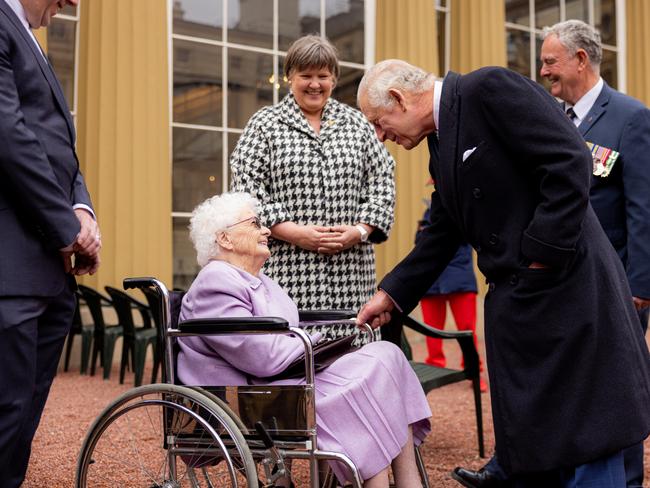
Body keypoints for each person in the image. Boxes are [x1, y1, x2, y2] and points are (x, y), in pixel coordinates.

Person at [355, 59, 650, 487]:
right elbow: (444, 228)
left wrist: (539, 258)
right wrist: (393, 293)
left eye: (380, 124)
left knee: (587, 440)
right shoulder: (439, 140)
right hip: (523, 305)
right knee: (541, 445)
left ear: (399, 99)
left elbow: (569, 160)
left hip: (568, 293)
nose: (382, 137)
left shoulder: (487, 89)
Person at [453, 20, 650, 488]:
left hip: (612, 281)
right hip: (563, 280)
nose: (543, 71)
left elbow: (644, 208)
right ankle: (525, 466)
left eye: (549, 61)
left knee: (611, 392)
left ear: (581, 59)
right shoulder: (549, 113)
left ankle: (622, 478)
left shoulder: (630, 117)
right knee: (566, 388)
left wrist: (640, 285)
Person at [176, 192, 431, 488]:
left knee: (388, 354)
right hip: (257, 395)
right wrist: (312, 342)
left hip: (286, 378)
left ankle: (408, 481)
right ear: (225, 239)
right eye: (255, 223)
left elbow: (278, 339)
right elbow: (263, 357)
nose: (267, 230)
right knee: (370, 379)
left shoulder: (254, 278)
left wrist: (315, 345)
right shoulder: (216, 281)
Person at [0, 0, 101, 486]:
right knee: (6, 412)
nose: (73, 4)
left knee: (22, 421)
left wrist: (82, 210)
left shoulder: (33, 43)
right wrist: (67, 231)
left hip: (50, 274)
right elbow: (9, 138)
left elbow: (61, 149)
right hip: (12, 265)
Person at [230, 35, 395, 312]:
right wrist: (294, 233)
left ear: (334, 78)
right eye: (306, 75)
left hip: (351, 274)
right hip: (287, 270)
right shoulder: (264, 124)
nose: (315, 84)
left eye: (323, 75)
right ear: (289, 77)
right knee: (292, 348)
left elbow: (382, 179)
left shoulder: (356, 123)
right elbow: (246, 187)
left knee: (352, 351)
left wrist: (359, 231)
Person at [416, 202, 486, 392]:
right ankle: (435, 368)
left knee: (467, 329)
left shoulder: (463, 206)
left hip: (459, 278)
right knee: (431, 329)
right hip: (431, 281)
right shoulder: (428, 211)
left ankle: (474, 371)